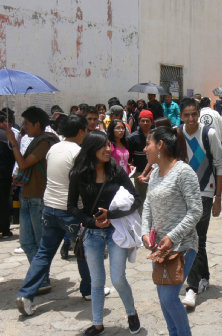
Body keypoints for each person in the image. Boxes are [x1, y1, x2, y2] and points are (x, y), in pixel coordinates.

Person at [16, 114, 92, 315]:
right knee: (82, 251)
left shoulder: (53, 149)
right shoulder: (78, 152)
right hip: (70, 211)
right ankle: (88, 290)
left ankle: (26, 294)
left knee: (44, 252)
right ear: (81, 131)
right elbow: (82, 184)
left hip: (49, 207)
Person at [68, 131, 141, 335]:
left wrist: (113, 214)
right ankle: (98, 323)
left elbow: (136, 199)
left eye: (109, 145)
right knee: (97, 280)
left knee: (118, 278)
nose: (109, 150)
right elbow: (71, 207)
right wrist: (92, 222)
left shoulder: (116, 171)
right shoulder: (79, 174)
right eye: (103, 147)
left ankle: (132, 313)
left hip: (116, 231)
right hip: (92, 234)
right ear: (91, 150)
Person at [141, 126, 202, 335]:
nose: (145, 148)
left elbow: (196, 212)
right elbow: (147, 205)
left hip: (182, 246)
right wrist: (144, 232)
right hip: (159, 248)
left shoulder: (184, 172)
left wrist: (171, 236)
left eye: (148, 143)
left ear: (160, 145)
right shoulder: (156, 172)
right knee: (162, 297)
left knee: (169, 297)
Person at [5, 106, 59, 293]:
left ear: (37, 124)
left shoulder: (45, 142)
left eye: (27, 123)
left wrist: (13, 143)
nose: (24, 127)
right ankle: (40, 276)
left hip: (38, 197)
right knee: (27, 242)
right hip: (27, 195)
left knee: (38, 243)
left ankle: (42, 279)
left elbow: (24, 163)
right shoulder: (35, 141)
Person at [178, 98, 222, 308]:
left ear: (199, 113)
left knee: (194, 236)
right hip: (182, 194)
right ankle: (203, 276)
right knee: (198, 239)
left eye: (193, 114)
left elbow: (220, 164)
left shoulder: (209, 134)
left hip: (205, 192)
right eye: (186, 115)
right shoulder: (176, 133)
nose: (190, 119)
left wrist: (219, 198)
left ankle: (192, 288)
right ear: (181, 116)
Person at [127, 109, 153, 203]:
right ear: (139, 122)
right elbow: (129, 157)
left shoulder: (156, 135)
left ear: (151, 122)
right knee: (141, 197)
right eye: (143, 121)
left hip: (155, 171)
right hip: (139, 173)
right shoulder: (132, 137)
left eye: (148, 121)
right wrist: (131, 166)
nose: (145, 123)